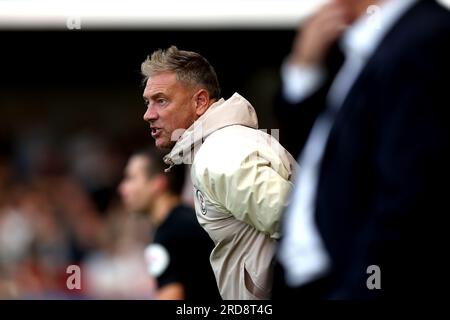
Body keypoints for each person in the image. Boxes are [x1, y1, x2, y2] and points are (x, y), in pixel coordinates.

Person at [274, 0, 450, 299]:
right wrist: (303, 70)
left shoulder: (422, 40)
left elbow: (407, 196)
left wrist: (366, 287)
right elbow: (323, 159)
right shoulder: (363, 48)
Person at [140, 46, 298, 299]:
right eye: (147, 102)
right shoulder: (224, 145)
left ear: (200, 102)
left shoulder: (220, 152)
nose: (148, 114)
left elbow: (297, 220)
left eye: (161, 100)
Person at [118, 148, 220, 300]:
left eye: (131, 178)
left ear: (158, 184)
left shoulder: (168, 234)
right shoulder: (189, 219)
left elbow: (170, 295)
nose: (122, 189)